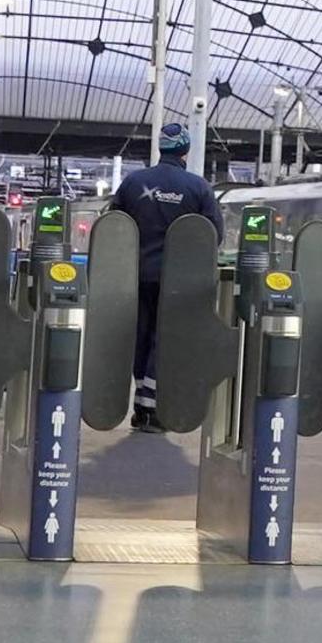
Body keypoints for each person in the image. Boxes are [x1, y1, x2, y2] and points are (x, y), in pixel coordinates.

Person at [107, 121, 223, 432]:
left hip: (135, 277)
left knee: (140, 339)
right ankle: (153, 409)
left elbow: (112, 227)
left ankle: (140, 406)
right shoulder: (198, 189)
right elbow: (214, 236)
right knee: (165, 342)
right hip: (177, 282)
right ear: (186, 149)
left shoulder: (133, 183)